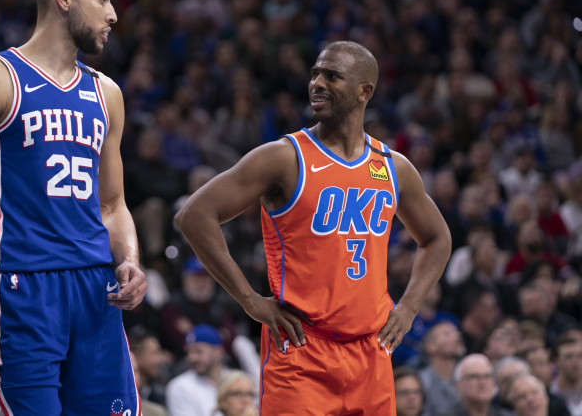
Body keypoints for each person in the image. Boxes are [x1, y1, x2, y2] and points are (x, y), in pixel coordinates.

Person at [175, 41, 451, 413]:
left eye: (331, 76)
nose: (316, 83)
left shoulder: (392, 166)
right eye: (315, 74)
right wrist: (250, 301)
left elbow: (437, 238)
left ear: (363, 92)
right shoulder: (284, 157)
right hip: (303, 349)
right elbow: (194, 215)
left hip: (371, 351)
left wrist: (409, 308)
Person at [0, 0, 147, 415]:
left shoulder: (107, 94)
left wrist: (130, 261)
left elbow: (112, 205)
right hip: (20, 288)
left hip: (96, 292)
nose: (113, 14)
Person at [165, 324, 229, 416]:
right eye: (188, 352)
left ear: (218, 352)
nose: (191, 358)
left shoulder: (238, 382)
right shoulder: (180, 386)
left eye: (198, 351)